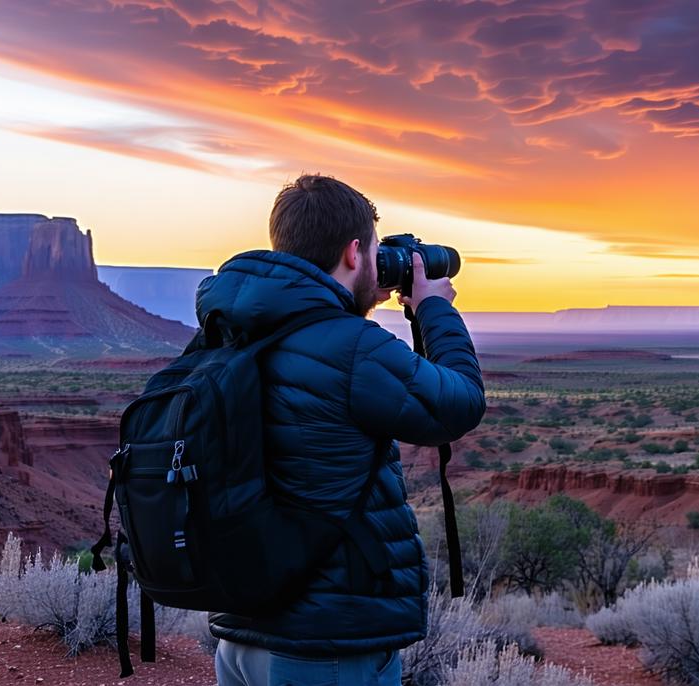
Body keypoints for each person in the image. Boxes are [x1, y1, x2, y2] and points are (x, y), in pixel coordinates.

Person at [198, 174, 486, 686]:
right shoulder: (352, 347)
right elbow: (458, 404)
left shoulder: (230, 330)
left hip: (241, 633)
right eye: (376, 252)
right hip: (326, 644)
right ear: (355, 253)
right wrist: (435, 308)